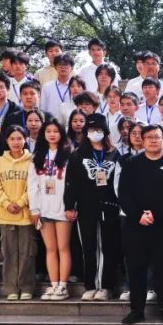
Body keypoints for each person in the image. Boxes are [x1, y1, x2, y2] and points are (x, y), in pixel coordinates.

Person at [118, 124, 163, 325]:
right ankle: (137, 310)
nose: (153, 140)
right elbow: (124, 194)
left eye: (157, 137)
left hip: (162, 227)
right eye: (149, 137)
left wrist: (156, 214)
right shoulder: (131, 164)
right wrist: (139, 215)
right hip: (136, 226)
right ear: (142, 141)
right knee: (136, 269)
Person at [63, 114, 122, 301]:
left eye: (98, 130)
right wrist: (69, 205)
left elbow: (119, 182)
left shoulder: (115, 154)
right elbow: (71, 182)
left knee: (107, 247)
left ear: (105, 131)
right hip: (86, 207)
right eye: (90, 130)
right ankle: (90, 285)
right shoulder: (78, 155)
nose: (94, 133)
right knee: (88, 247)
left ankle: (106, 286)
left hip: (109, 207)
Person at [27, 119, 73, 301]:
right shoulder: (36, 157)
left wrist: (71, 206)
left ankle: (63, 286)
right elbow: (32, 186)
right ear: (43, 134)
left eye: (56, 131)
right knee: (50, 249)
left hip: (63, 208)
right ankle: (54, 285)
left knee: (63, 248)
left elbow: (73, 184)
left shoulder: (69, 155)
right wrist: (34, 209)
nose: (52, 134)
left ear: (61, 134)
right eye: (48, 131)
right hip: (44, 209)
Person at [0, 126, 36, 300]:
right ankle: (11, 288)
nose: (16, 142)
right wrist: (6, 203)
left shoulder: (32, 161)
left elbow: (34, 185)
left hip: (26, 215)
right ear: (7, 141)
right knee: (9, 253)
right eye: (12, 139)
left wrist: (21, 202)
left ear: (25, 140)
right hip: (5, 214)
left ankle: (26, 287)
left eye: (19, 138)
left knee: (27, 253)